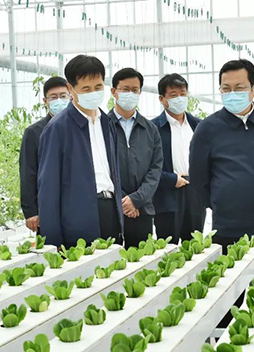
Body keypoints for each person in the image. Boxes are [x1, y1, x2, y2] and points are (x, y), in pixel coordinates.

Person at [190, 59, 254, 263]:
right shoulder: (207, 129)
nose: (232, 93)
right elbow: (199, 179)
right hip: (229, 228)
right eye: (226, 89)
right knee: (231, 281)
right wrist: (223, 202)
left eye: (240, 88)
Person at [38, 55, 123, 247]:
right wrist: (53, 242)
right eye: (86, 89)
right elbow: (48, 189)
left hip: (110, 211)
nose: (93, 93)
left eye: (98, 87)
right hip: (78, 217)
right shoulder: (58, 128)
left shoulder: (107, 123)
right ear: (71, 89)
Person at [108, 68, 163, 247]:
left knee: (141, 259)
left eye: (135, 90)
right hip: (111, 209)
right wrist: (124, 201)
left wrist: (136, 200)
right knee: (110, 258)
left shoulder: (150, 129)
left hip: (142, 209)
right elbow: (102, 168)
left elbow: (155, 169)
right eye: (125, 89)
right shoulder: (103, 126)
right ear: (114, 91)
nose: (130, 94)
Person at [152, 74, 205, 244]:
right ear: (162, 99)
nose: (180, 99)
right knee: (168, 245)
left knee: (195, 245)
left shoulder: (199, 126)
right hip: (167, 193)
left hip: (195, 192)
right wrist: (171, 179)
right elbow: (147, 166)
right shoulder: (153, 128)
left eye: (183, 94)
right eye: (174, 95)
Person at [20, 76, 70, 233]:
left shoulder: (80, 127)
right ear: (45, 101)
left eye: (63, 96)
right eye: (53, 97)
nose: (59, 100)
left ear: (71, 96)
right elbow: (28, 173)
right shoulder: (34, 132)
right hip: (47, 206)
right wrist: (31, 211)